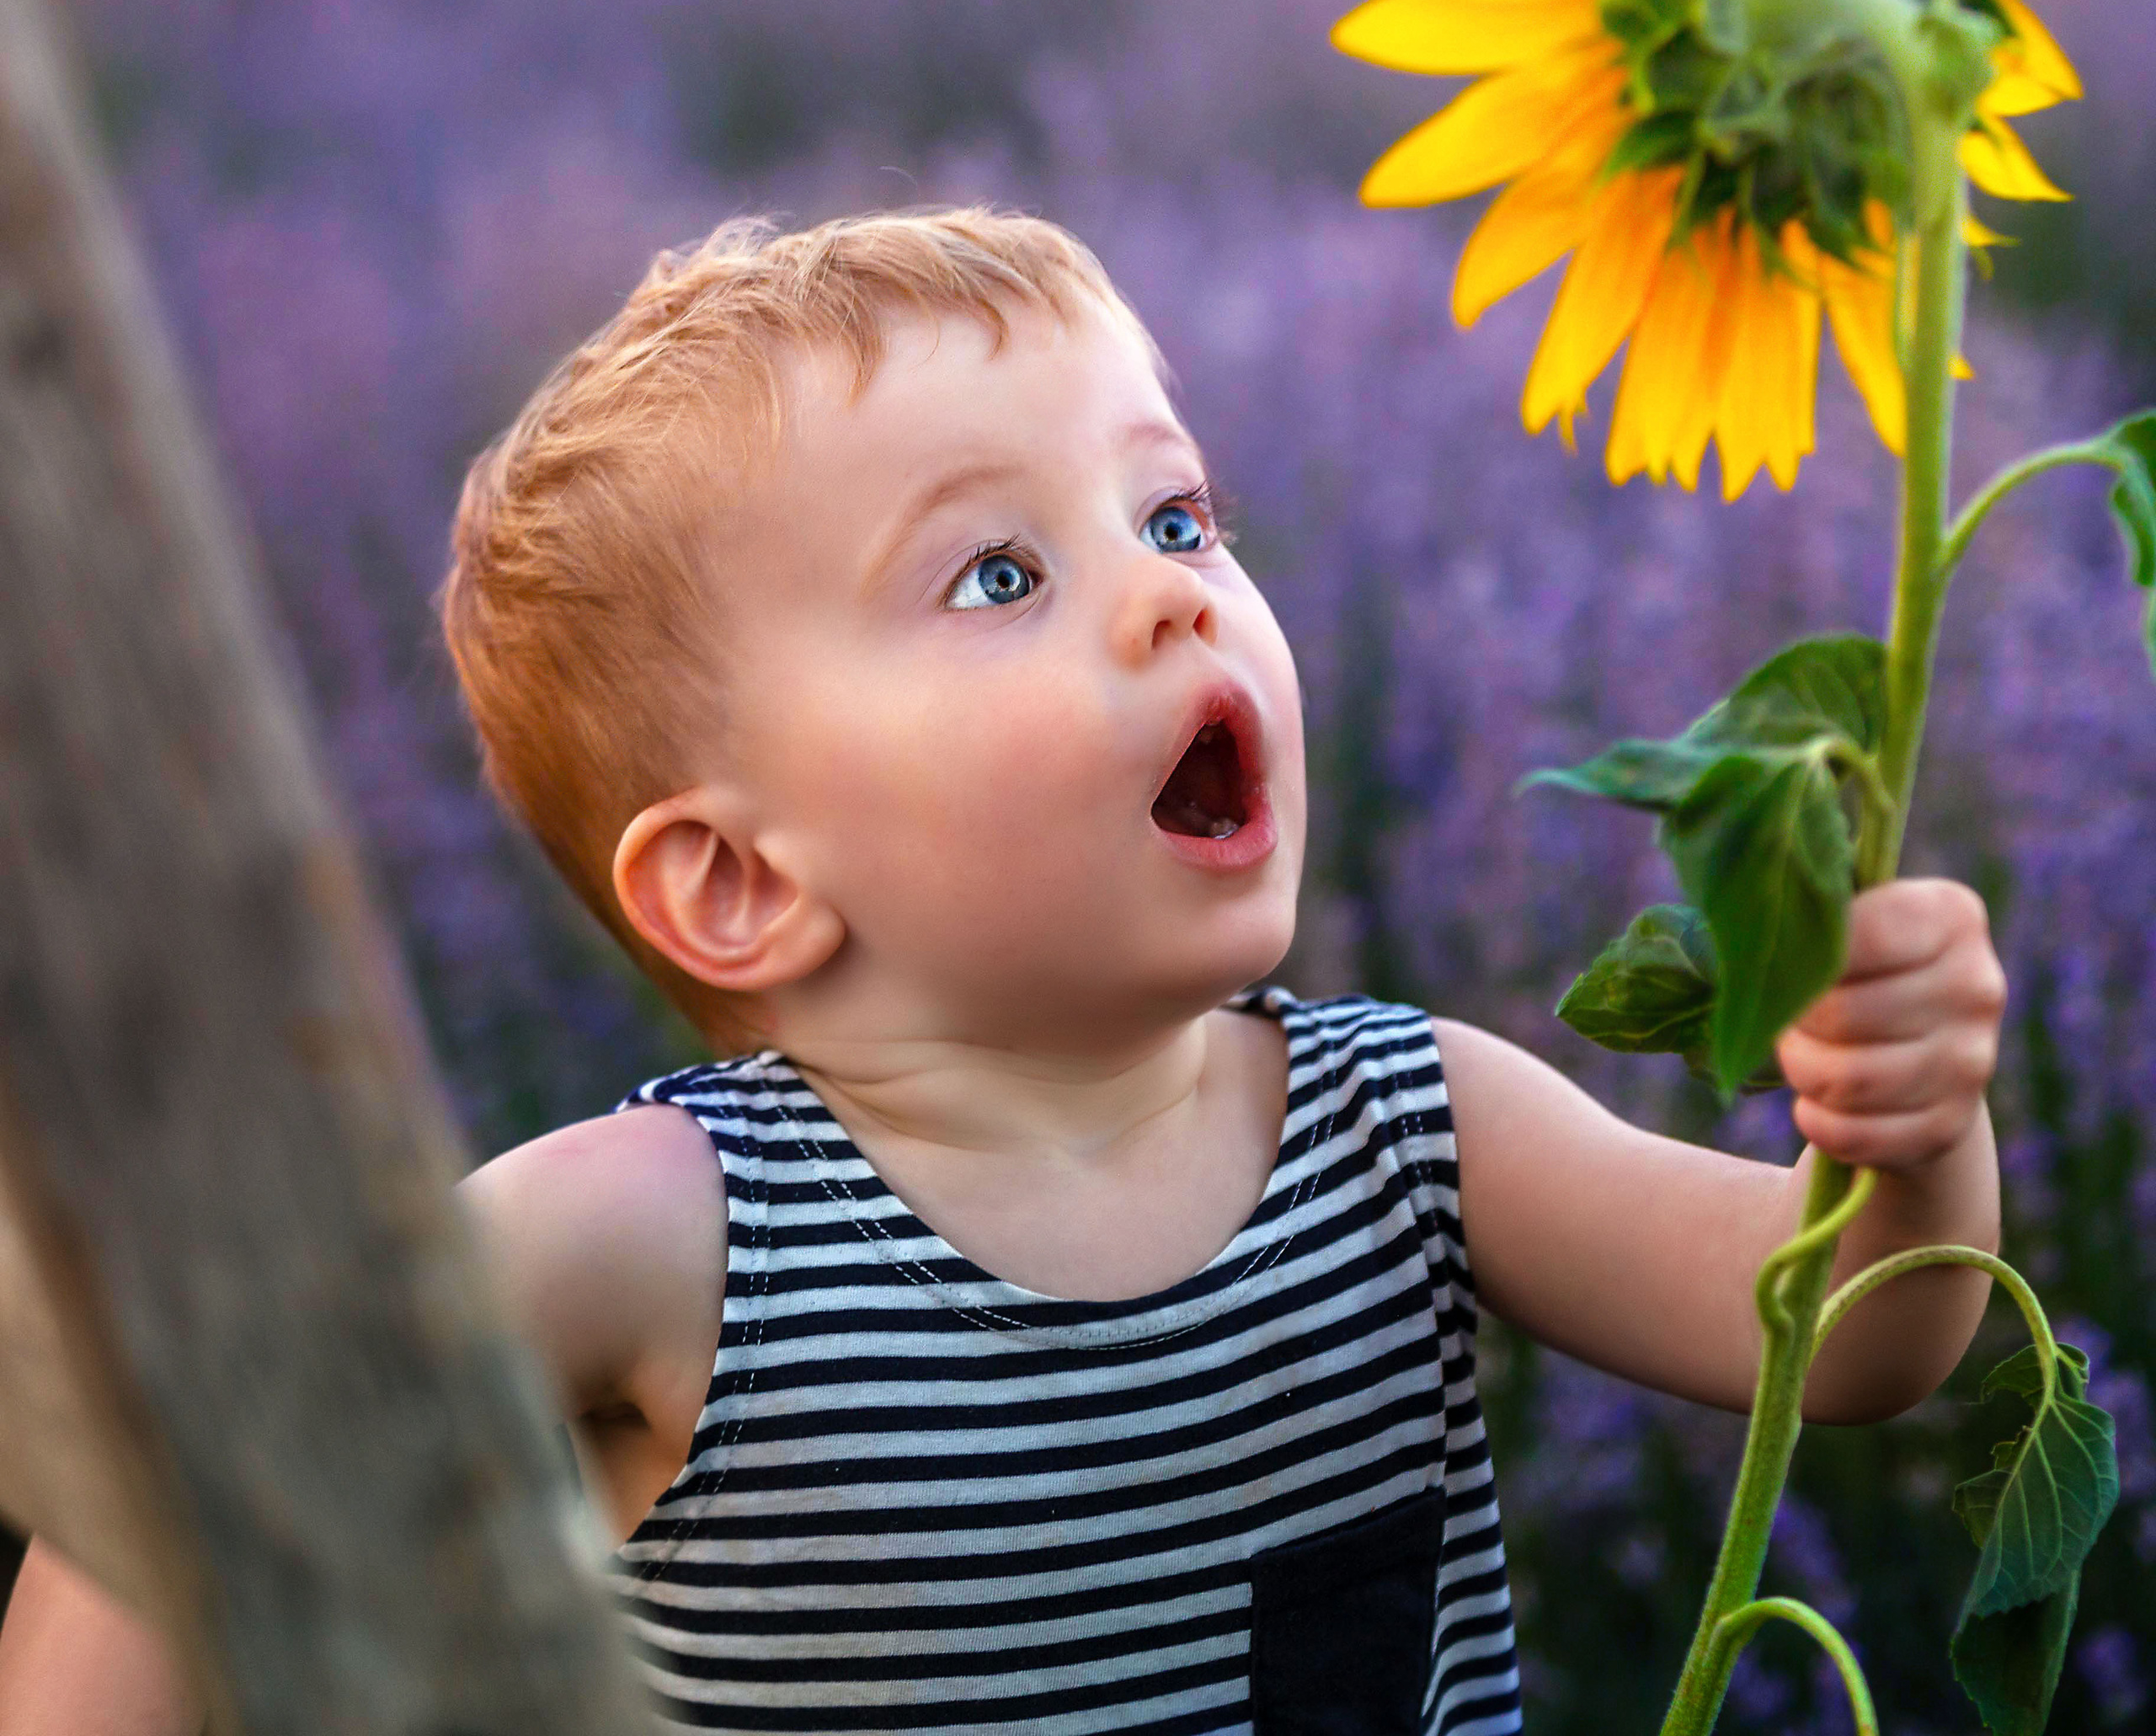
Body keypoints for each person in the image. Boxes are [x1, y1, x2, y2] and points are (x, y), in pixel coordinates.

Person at [0, 208, 2007, 1735]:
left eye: (1175, 509)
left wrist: (1899, 1124)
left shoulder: (1411, 1123)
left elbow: (1848, 1343)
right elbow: (181, 1482)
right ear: (733, 884)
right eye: (996, 573)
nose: (1167, 592)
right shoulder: (667, 1241)